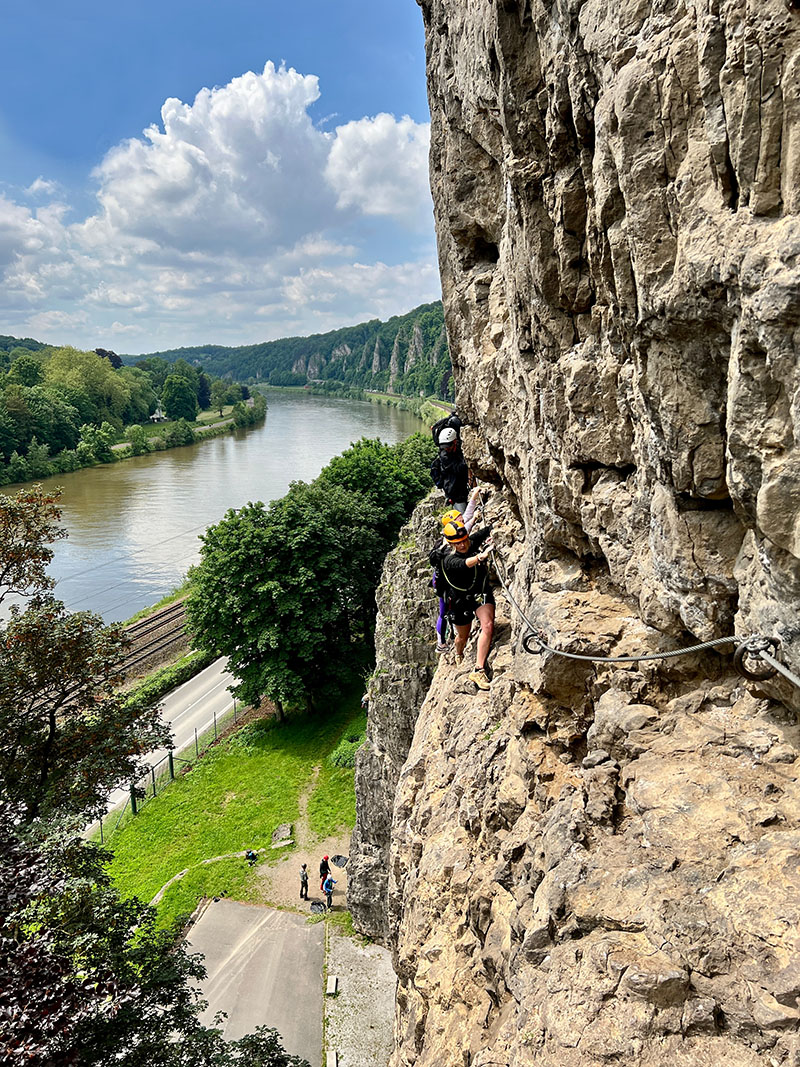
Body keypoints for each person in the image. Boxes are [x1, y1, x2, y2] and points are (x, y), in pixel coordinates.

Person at [440, 518, 495, 690]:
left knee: (488, 625)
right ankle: (459, 652)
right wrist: (480, 556)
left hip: (479, 593)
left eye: (464, 541)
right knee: (462, 637)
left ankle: (479, 670)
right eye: (458, 543)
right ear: (451, 543)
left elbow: (486, 531)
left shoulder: (470, 542)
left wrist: (495, 529)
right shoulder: (448, 560)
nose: (463, 545)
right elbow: (463, 563)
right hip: (460, 601)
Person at [433, 489, 483, 653]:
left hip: (445, 578)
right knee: (444, 610)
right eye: (458, 520)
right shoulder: (449, 542)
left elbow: (466, 517)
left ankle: (445, 639)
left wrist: (474, 498)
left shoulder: (450, 536)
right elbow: (467, 523)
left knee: (445, 609)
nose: (462, 520)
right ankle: (441, 643)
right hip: (444, 581)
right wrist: (474, 518)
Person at [430, 426, 471, 515]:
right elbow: (458, 468)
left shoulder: (459, 446)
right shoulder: (445, 456)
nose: (446, 449)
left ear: (455, 442)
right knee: (462, 515)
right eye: (444, 447)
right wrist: (469, 459)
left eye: (448, 447)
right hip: (455, 492)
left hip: (461, 486)